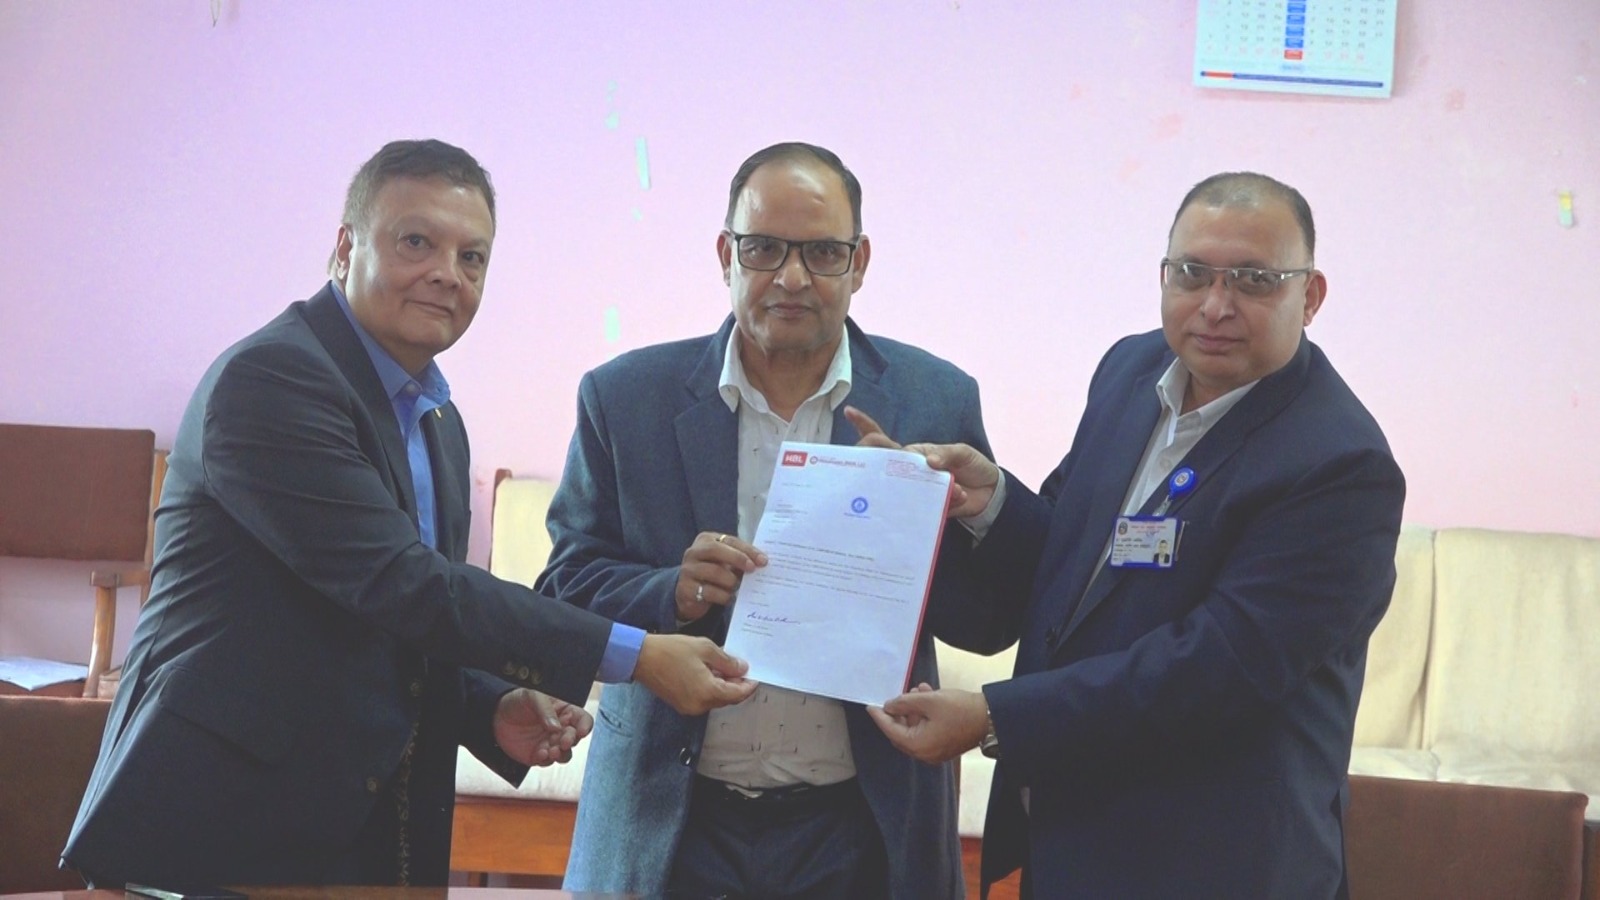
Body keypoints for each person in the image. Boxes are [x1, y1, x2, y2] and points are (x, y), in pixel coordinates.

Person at [62, 139, 756, 891]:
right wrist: (636, 654)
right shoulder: (272, 381)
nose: (447, 273)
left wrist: (488, 706)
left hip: (366, 828)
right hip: (223, 825)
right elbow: (403, 582)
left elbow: (406, 624)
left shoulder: (435, 416)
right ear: (345, 248)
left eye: (472, 257)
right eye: (417, 242)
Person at [868, 172, 1406, 898]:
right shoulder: (1132, 369)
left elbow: (1213, 668)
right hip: (1075, 834)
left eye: (1253, 280)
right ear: (1163, 275)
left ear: (1310, 297)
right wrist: (989, 498)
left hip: (1215, 864)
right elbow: (1074, 557)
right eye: (1193, 273)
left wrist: (995, 715)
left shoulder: (1341, 465)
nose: (1216, 305)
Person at [539, 142, 1007, 899]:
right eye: (764, 249)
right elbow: (562, 591)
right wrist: (672, 592)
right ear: (726, 254)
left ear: (859, 263)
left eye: (822, 253)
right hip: (670, 820)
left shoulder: (933, 399)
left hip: (862, 824)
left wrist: (918, 526)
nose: (792, 277)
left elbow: (989, 622)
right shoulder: (626, 398)